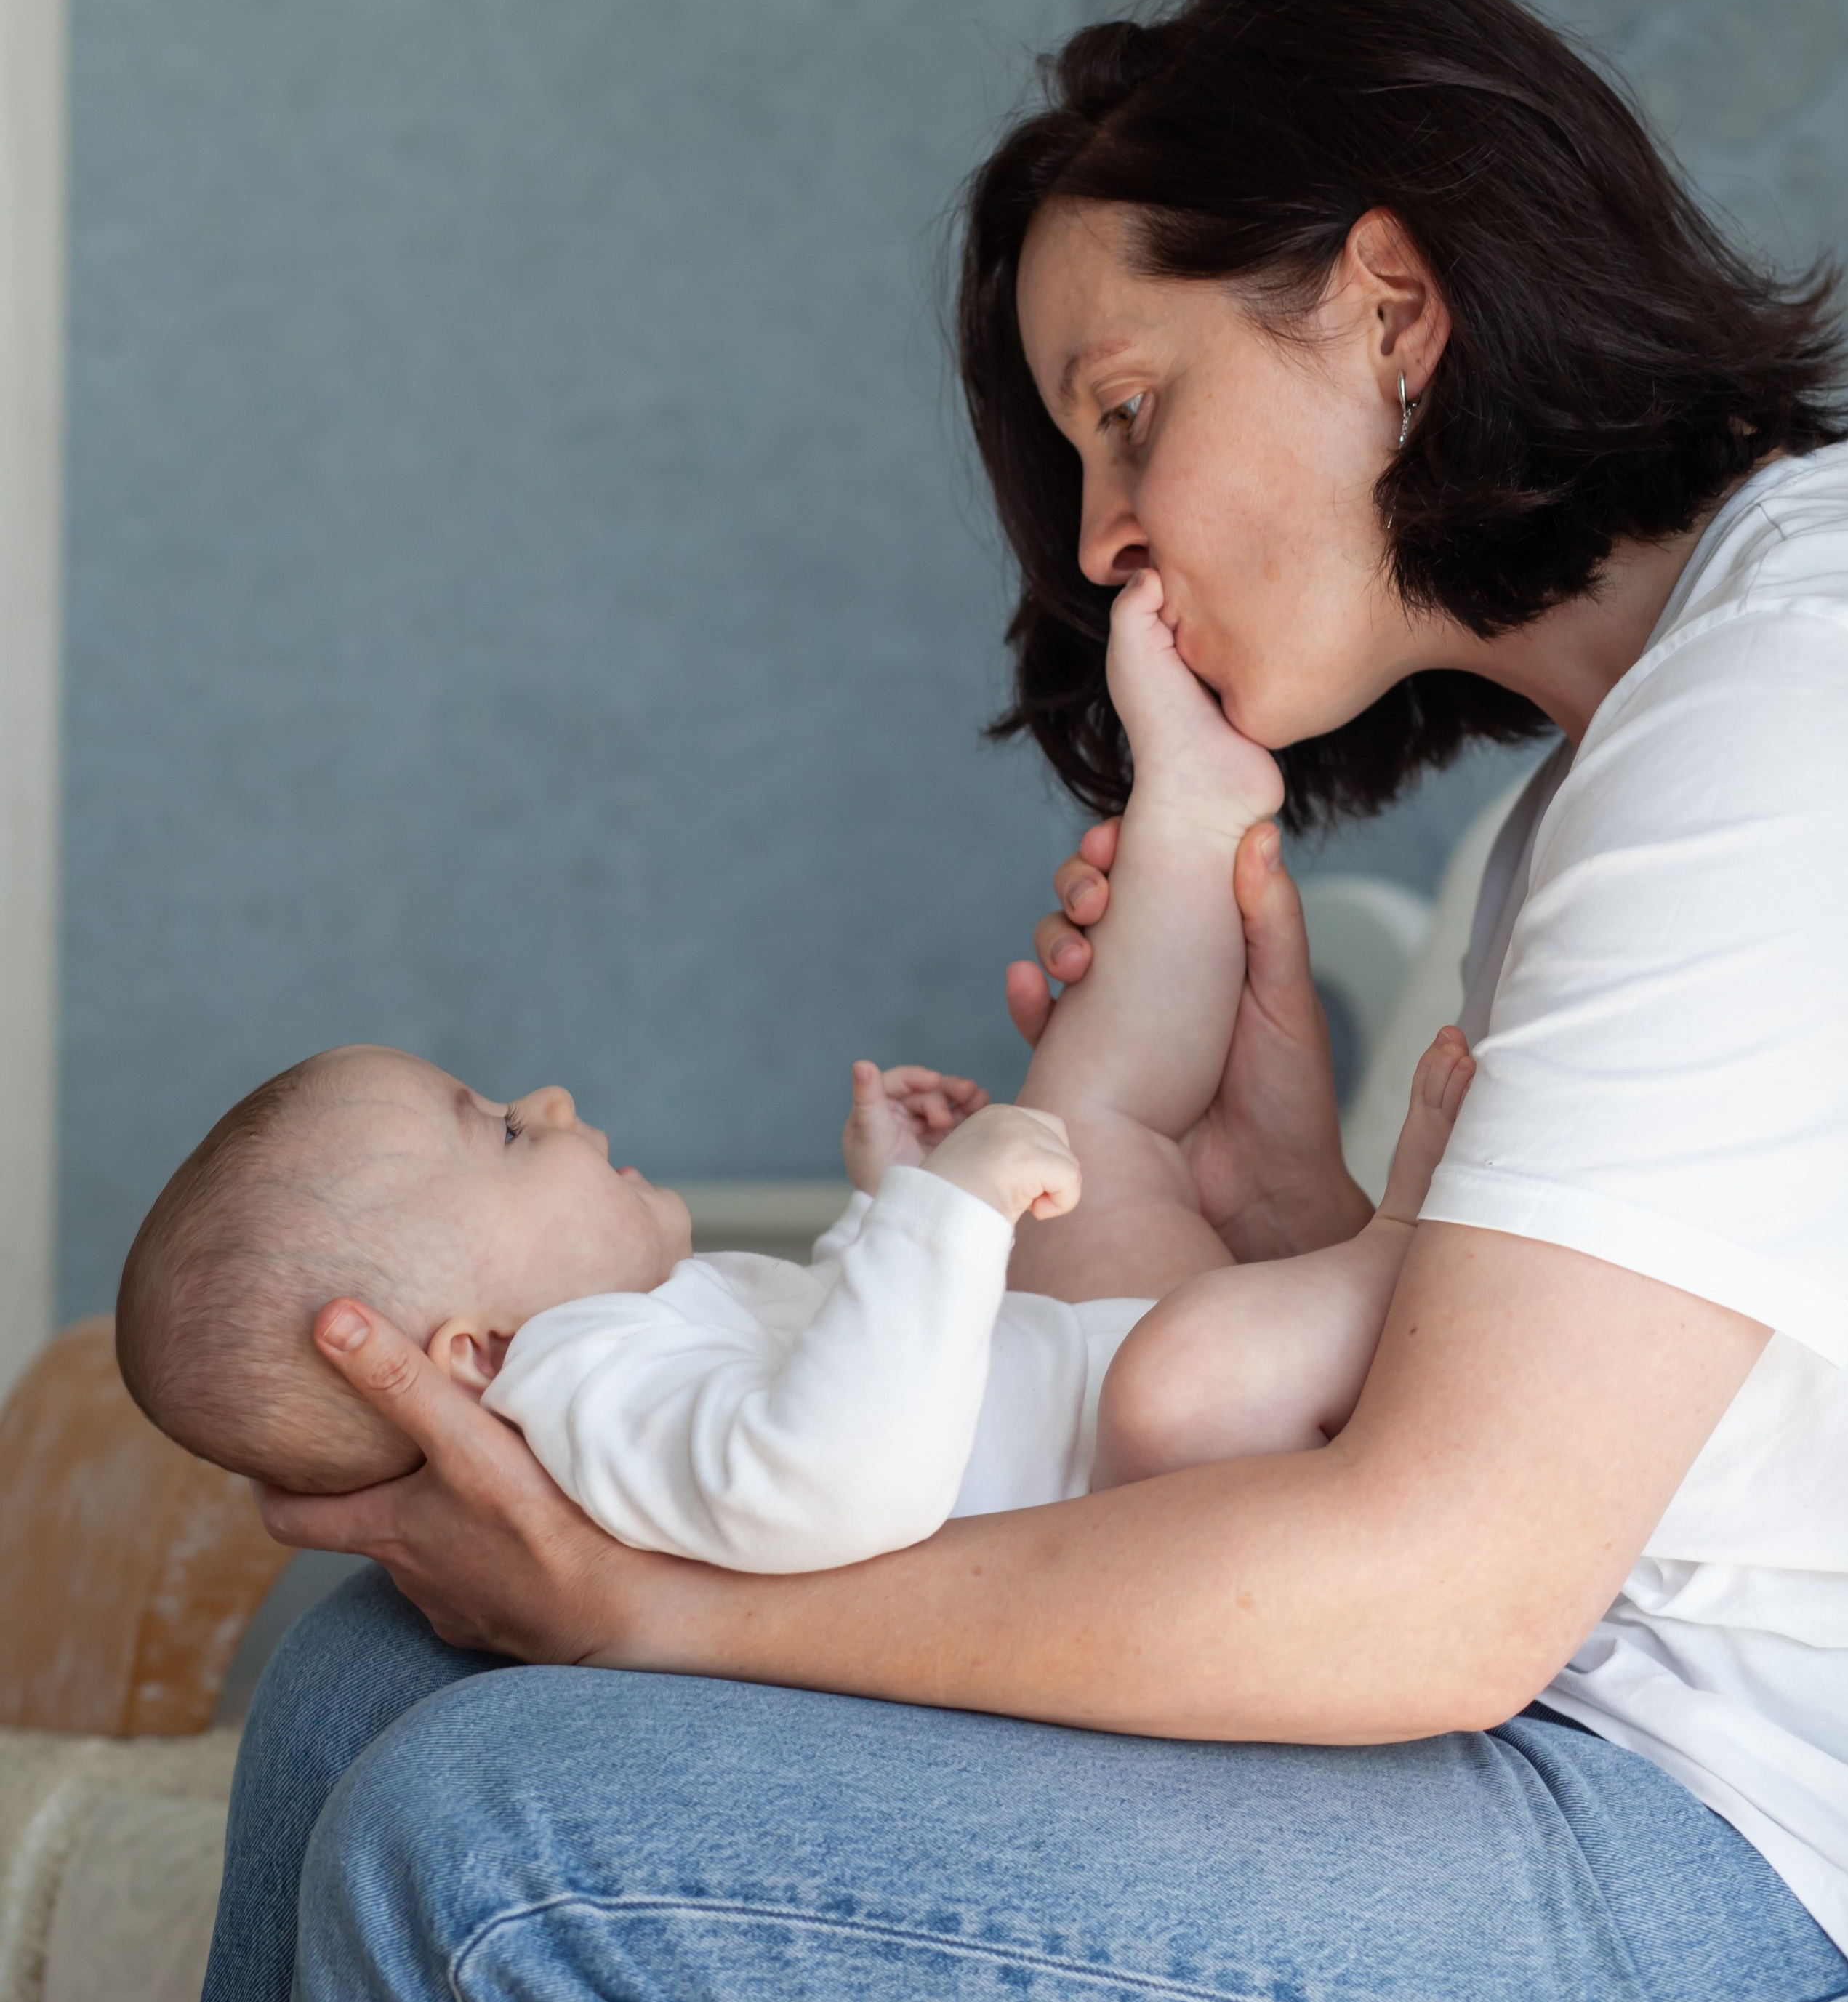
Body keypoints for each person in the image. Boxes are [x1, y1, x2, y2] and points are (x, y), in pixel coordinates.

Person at [169, 0, 1848, 2002]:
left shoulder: (1788, 706)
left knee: (511, 1865)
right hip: (1578, 1729)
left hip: (1731, 1864)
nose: (1097, 541)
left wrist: (663, 1609)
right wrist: (1289, 1216)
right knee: (372, 1671)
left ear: (1391, 306)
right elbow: (1632, 1462)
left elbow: (1448, 1597)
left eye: (1130, 407)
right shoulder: (1625, 759)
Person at [118, 571, 1469, 1568]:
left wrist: (890, 1206)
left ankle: (1196, 805)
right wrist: (950, 1220)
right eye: (502, 1136)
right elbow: (828, 1484)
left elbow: (819, 1368)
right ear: (469, 1357)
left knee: (1090, 1108)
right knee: (1175, 1365)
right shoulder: (583, 1386)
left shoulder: (624, 1352)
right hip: (1153, 1476)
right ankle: (1411, 1255)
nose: (550, 1103)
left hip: (1090, 1382)